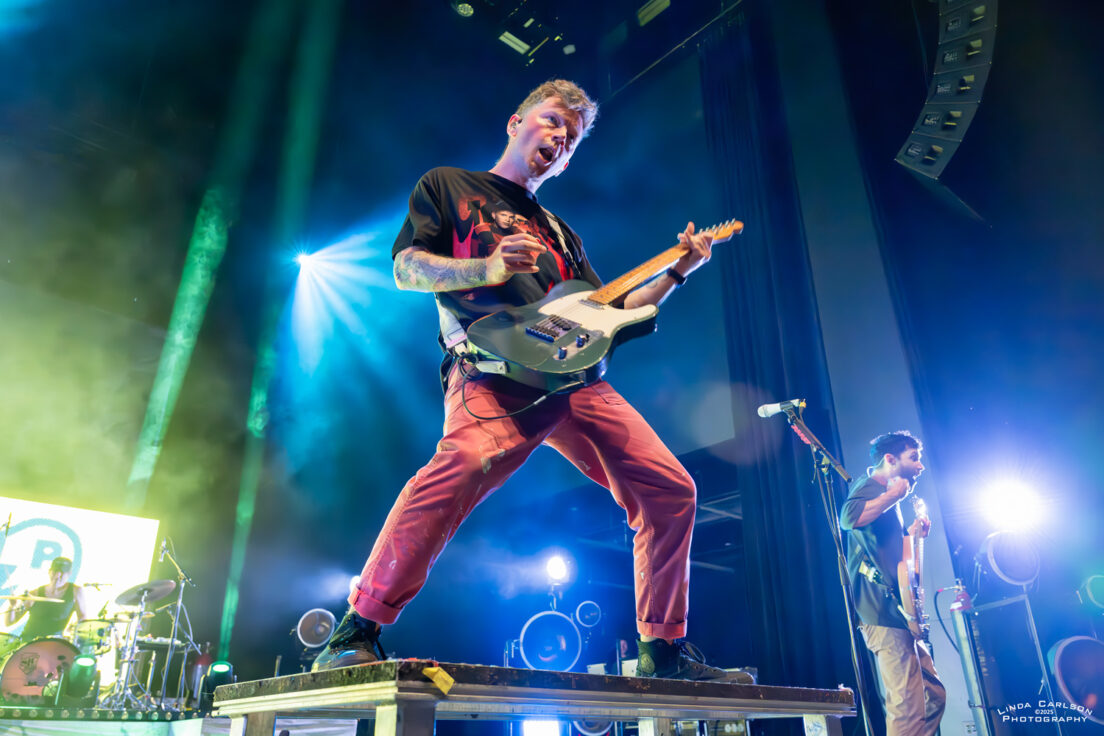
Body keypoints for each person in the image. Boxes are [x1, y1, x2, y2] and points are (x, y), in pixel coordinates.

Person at [313, 79, 737, 681]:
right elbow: (407, 269)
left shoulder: (562, 233)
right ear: (516, 122)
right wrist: (485, 268)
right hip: (493, 369)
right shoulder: (449, 185)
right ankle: (355, 630)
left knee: (671, 490)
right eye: (553, 120)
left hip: (573, 379)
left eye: (573, 137)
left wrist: (679, 271)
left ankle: (662, 654)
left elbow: (611, 311)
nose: (561, 137)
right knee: (462, 464)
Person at [840, 431, 946, 736]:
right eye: (914, 458)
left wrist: (912, 534)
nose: (920, 465)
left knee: (933, 697)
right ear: (890, 459)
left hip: (898, 612)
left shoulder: (886, 495)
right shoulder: (871, 486)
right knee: (907, 707)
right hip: (880, 612)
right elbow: (848, 518)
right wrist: (893, 495)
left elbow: (889, 553)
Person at [3, 556, 90, 641]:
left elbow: (82, 617)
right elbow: (9, 622)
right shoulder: (34, 594)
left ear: (69, 574)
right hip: (29, 641)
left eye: (62, 572)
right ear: (49, 572)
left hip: (54, 643)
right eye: (55, 572)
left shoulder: (76, 591)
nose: (57, 576)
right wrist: (12, 606)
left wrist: (75, 627)